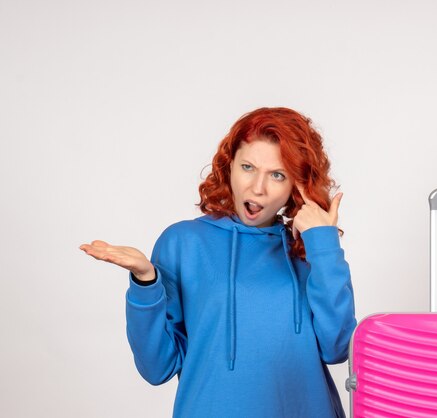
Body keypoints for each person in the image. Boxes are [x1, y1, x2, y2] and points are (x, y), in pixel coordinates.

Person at [80, 107, 357, 418]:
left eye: (277, 175)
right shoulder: (184, 243)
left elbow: (337, 348)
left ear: (297, 184)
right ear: (229, 167)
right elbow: (157, 368)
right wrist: (145, 282)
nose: (258, 188)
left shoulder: (308, 249)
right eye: (248, 167)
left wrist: (324, 243)